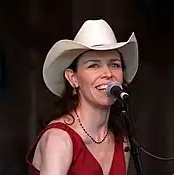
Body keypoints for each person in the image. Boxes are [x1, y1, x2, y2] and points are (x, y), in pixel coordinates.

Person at [26, 19, 139, 175]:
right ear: (73, 78)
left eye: (115, 65)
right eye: (94, 65)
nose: (107, 73)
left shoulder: (122, 142)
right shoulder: (59, 138)